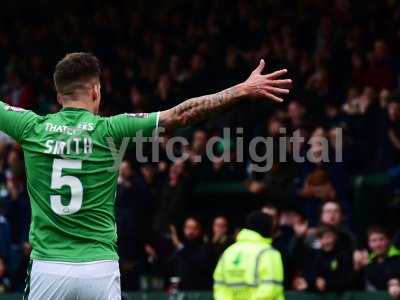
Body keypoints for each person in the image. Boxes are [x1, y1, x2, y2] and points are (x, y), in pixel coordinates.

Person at [0, 52, 291, 299]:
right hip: (98, 268)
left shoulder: (30, 127)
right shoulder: (111, 130)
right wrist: (241, 89)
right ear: (95, 91)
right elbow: (180, 115)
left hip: (48, 266)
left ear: (58, 95)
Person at [214, 210, 285, 300]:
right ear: (267, 228)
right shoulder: (268, 253)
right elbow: (270, 290)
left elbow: (219, 288)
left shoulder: (229, 252)